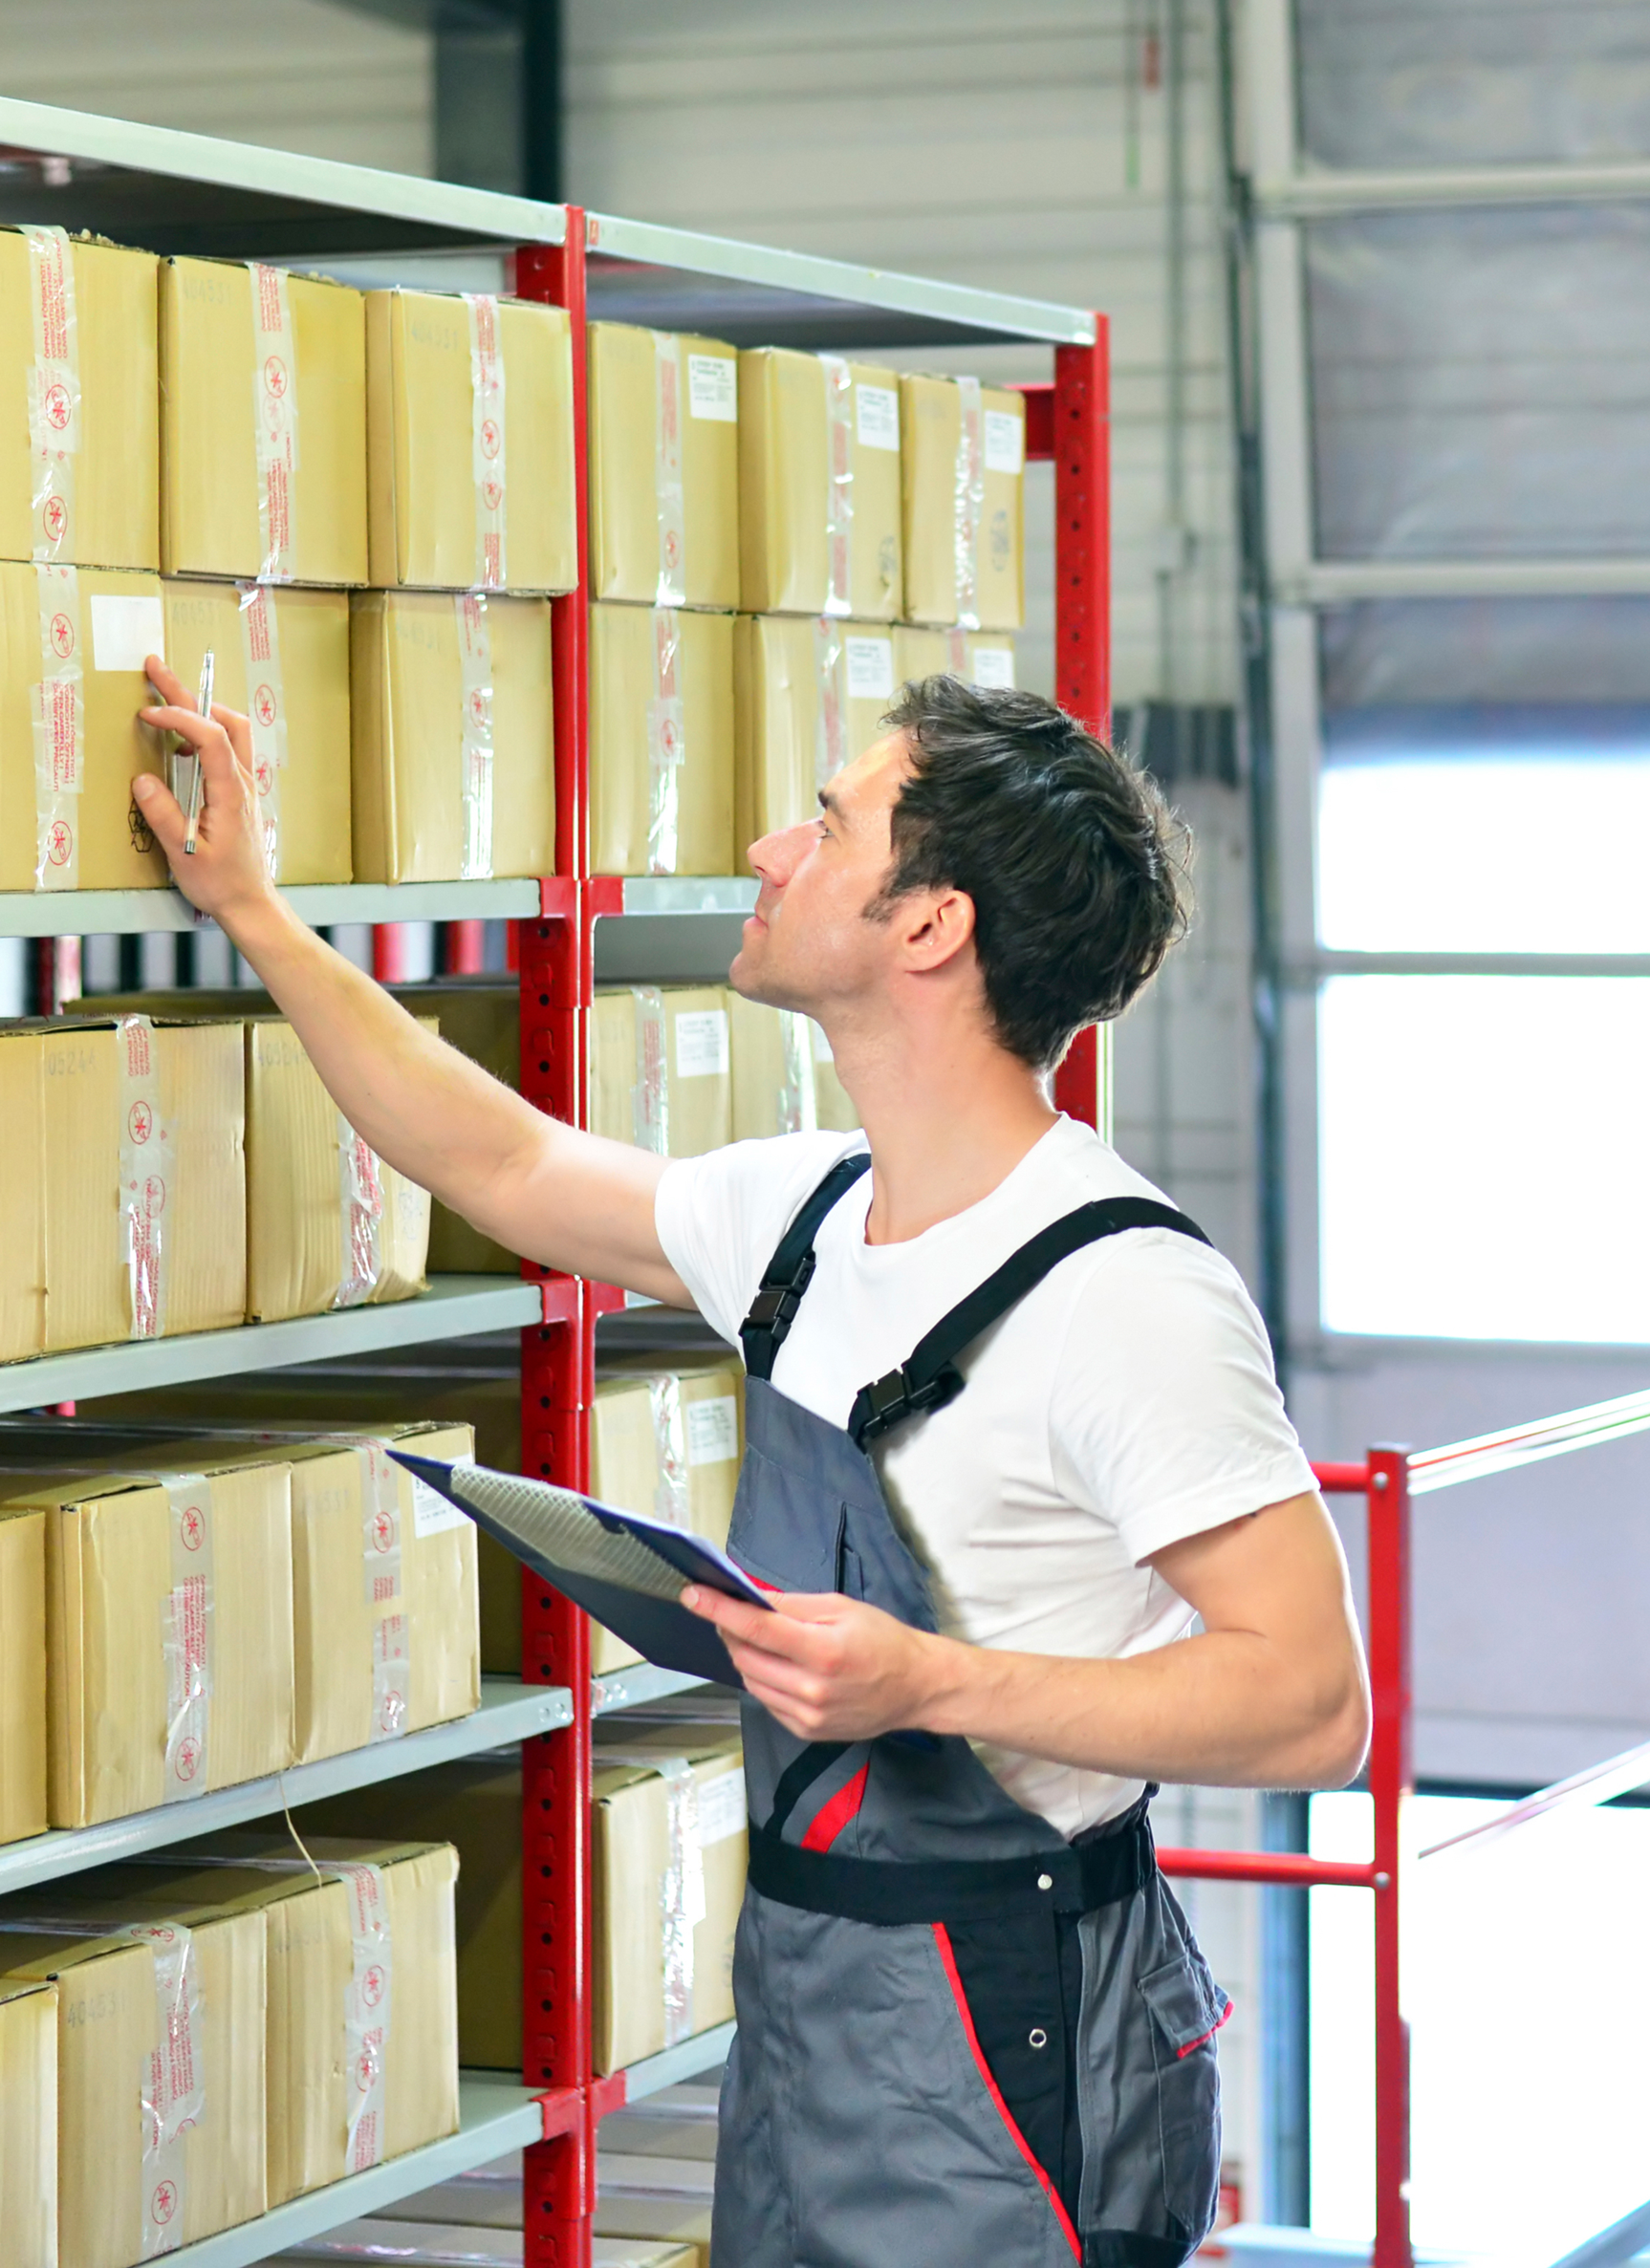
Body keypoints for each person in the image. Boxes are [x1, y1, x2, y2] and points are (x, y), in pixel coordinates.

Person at [131, 657, 1368, 2268]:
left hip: (1020, 2009)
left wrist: (929, 1680)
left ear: (931, 925)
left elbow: (1311, 1705)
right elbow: (501, 1159)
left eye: (828, 822)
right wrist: (259, 913)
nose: (776, 855)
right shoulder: (803, 1219)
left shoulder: (1126, 1290)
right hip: (805, 1980)